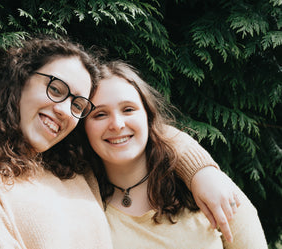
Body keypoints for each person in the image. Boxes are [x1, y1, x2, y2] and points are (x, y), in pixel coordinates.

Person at [0, 36, 238, 248]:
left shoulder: (72, 172)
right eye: (57, 89)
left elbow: (135, 132)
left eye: (78, 105)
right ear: (20, 79)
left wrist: (201, 171)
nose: (64, 110)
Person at [81, 60, 268, 248]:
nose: (117, 124)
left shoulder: (209, 188)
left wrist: (200, 170)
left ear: (148, 116)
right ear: (83, 128)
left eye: (128, 109)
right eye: (100, 115)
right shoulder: (81, 205)